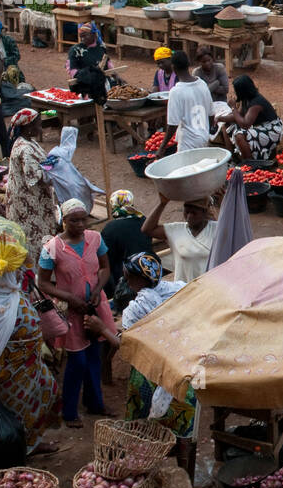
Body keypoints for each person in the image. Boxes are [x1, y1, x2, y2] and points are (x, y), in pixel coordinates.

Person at [0, 225, 60, 456]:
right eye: (13, 270)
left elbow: (27, 268)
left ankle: (31, 443)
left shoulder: (11, 292)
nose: (18, 273)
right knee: (11, 415)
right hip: (6, 376)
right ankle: (15, 449)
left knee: (45, 396)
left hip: (29, 367)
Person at [38, 199, 117, 427]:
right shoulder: (52, 248)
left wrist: (98, 289)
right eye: (74, 220)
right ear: (63, 221)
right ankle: (69, 411)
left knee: (95, 355)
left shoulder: (95, 239)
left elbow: (105, 268)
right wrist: (70, 298)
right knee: (78, 360)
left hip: (95, 305)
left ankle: (95, 403)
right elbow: (43, 283)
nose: (81, 224)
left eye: (84, 219)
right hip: (71, 311)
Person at [118, 253, 198, 467]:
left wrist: (101, 328)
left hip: (148, 374)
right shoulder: (178, 290)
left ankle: (142, 471)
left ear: (137, 279)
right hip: (182, 368)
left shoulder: (135, 310)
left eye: (128, 275)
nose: (125, 279)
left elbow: (127, 346)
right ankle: (185, 471)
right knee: (183, 425)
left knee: (142, 427)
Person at [5, 108, 59, 255]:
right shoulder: (25, 149)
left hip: (30, 199)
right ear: (28, 127)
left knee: (41, 234)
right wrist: (58, 171)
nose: (41, 127)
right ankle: (38, 271)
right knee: (34, 237)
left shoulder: (28, 142)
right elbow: (37, 177)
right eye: (38, 124)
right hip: (28, 203)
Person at [142, 195, 218, 283]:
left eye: (194, 213)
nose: (189, 216)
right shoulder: (176, 229)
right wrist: (162, 203)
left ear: (204, 212)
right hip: (183, 289)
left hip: (209, 287)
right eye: (187, 212)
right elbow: (147, 229)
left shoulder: (216, 228)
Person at [157, 50, 214, 156]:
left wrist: (162, 147)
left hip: (188, 143)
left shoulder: (176, 91)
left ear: (173, 67)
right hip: (204, 138)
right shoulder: (202, 84)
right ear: (188, 64)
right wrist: (207, 132)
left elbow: (172, 125)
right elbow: (211, 114)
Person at [100, 190, 153, 298]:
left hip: (126, 278)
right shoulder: (144, 220)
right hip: (148, 269)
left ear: (113, 205)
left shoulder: (110, 228)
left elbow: (108, 260)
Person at [218, 74, 283, 161]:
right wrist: (220, 118)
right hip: (258, 127)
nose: (234, 93)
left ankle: (250, 164)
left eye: (236, 90)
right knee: (226, 126)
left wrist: (233, 107)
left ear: (242, 91)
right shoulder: (246, 99)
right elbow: (239, 116)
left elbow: (245, 124)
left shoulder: (256, 103)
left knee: (239, 135)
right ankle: (231, 159)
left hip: (270, 130)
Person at [66, 23, 111, 100]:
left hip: (102, 82)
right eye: (81, 36)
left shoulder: (101, 47)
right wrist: (87, 76)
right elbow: (72, 71)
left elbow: (108, 64)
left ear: (94, 35)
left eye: (85, 36)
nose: (82, 39)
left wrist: (115, 75)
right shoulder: (75, 50)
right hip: (84, 84)